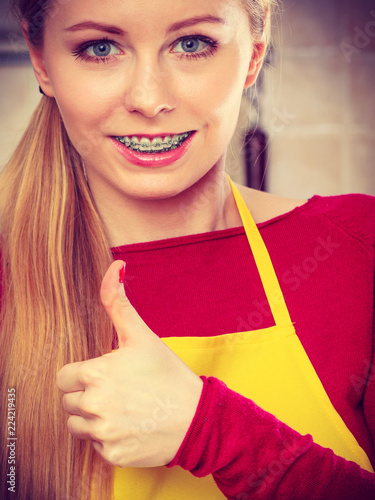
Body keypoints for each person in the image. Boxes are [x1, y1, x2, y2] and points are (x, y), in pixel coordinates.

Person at [0, 0, 374, 498]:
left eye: (192, 44)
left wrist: (209, 431)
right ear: (42, 62)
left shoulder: (354, 248)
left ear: (253, 57)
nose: (149, 99)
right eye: (100, 47)